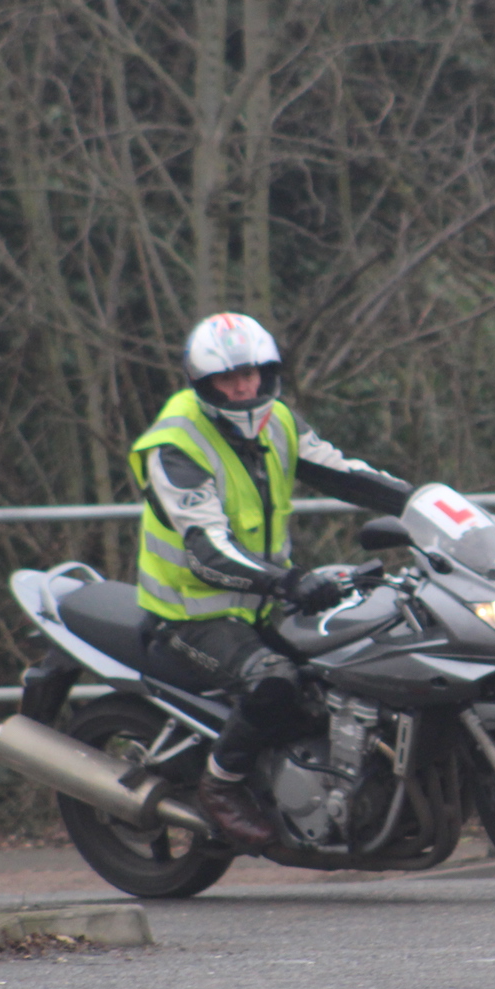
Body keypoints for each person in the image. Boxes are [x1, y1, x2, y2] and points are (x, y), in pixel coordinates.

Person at [129, 312, 412, 849]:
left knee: (352, 657)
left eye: (253, 373)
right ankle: (222, 784)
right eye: (229, 378)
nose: (243, 386)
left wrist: (426, 504)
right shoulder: (176, 443)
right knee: (275, 681)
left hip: (260, 603)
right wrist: (289, 581)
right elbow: (206, 552)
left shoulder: (275, 420)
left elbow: (343, 472)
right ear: (204, 384)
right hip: (192, 613)